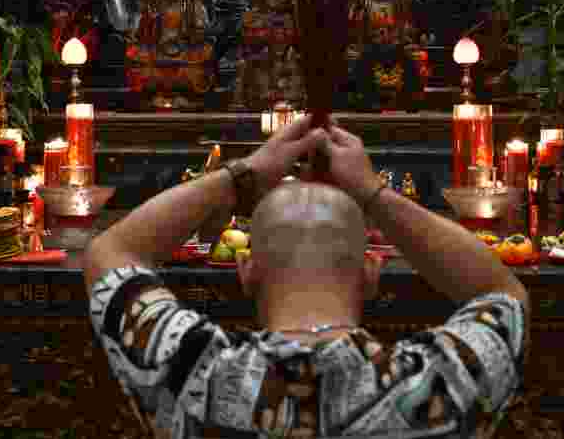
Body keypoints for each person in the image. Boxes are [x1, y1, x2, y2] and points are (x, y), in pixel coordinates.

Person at [85, 115, 529, 438]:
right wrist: (373, 192)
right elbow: (501, 291)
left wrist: (242, 174)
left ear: (245, 271)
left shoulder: (196, 373)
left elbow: (111, 251)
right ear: (371, 272)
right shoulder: (439, 384)